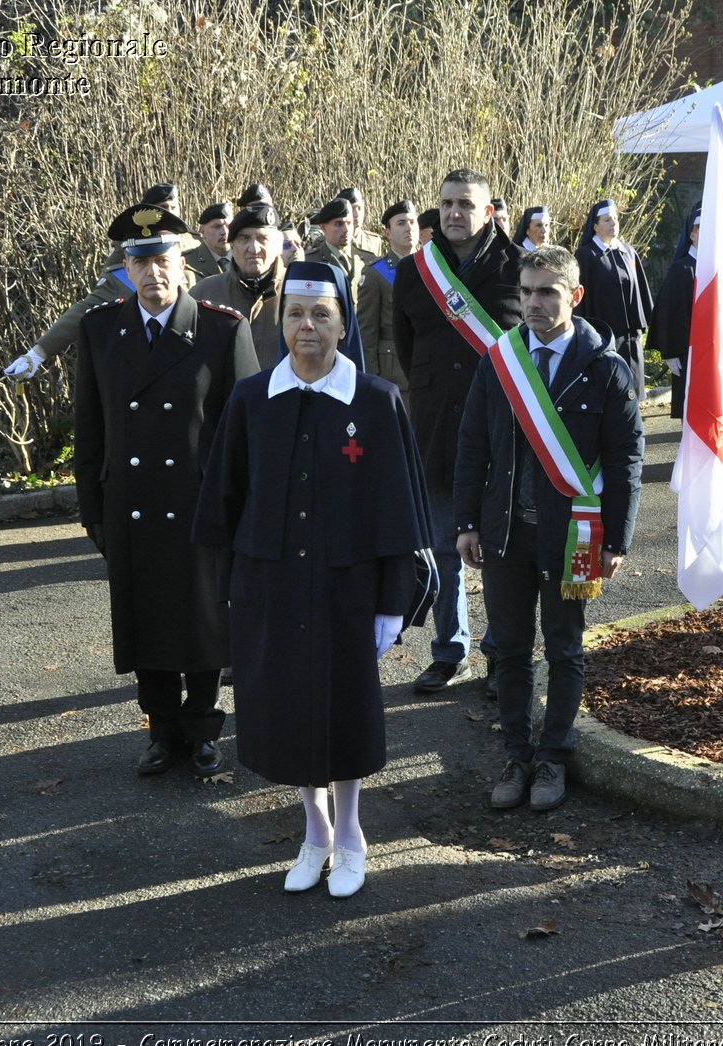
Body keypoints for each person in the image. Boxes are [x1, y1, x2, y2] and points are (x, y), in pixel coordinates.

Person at [192, 259, 430, 899]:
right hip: (272, 586)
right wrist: (227, 596)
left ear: (342, 323)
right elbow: (224, 505)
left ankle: (352, 835)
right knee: (289, 711)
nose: (307, 328)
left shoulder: (375, 402)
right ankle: (314, 831)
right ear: (282, 322)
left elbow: (397, 510)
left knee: (344, 710)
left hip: (347, 590)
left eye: (321, 315)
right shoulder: (251, 399)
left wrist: (391, 604)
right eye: (296, 314)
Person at [73, 203, 260, 777]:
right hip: (129, 499)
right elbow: (91, 426)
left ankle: (203, 728)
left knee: (202, 618)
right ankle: (161, 730)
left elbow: (246, 431)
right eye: (140, 261)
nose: (153, 273)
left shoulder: (223, 329)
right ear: (125, 268)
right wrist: (91, 507)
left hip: (200, 502)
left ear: (183, 263)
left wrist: (244, 509)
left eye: (163, 260)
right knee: (143, 615)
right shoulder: (101, 330)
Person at [455, 244, 643, 812]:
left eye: (547, 293)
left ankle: (554, 759)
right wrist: (466, 522)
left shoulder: (605, 367)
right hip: (507, 533)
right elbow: (472, 445)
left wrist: (617, 538)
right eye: (527, 291)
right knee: (509, 650)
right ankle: (517, 754)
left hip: (574, 537)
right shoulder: (500, 360)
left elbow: (626, 459)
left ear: (575, 297)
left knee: (563, 650)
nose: (533, 303)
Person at [392, 168, 523, 694]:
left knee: (500, 551)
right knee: (445, 549)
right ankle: (451, 651)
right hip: (437, 431)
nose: (453, 213)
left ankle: (501, 655)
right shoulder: (414, 271)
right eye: (446, 203)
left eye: (466, 204)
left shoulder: (516, 268)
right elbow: (407, 349)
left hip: (502, 431)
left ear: (488, 211)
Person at [3, 181, 196, 381]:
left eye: (174, 208)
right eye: (164, 209)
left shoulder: (200, 251)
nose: (171, 213)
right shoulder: (122, 271)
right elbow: (82, 311)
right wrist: (38, 353)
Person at [190, 201, 288, 370]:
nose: (254, 248)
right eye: (244, 238)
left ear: (278, 245)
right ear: (232, 246)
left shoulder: (297, 289)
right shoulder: (204, 294)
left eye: (263, 238)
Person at [575, 199, 654, 391]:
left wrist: (645, 324)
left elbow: (641, 290)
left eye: (616, 219)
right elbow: (580, 299)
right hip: (605, 337)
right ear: (595, 226)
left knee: (633, 392)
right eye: (607, 220)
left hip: (631, 337)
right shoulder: (586, 255)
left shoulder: (628, 251)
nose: (614, 223)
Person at [358, 199, 418, 404]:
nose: (409, 228)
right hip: (392, 374)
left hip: (425, 369)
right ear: (388, 233)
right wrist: (371, 378)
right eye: (401, 223)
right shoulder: (376, 273)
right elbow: (367, 332)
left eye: (412, 221)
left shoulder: (430, 267)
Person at [648, 205, 699, 421]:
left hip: (713, 345)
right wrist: (669, 353)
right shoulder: (682, 268)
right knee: (689, 395)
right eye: (701, 229)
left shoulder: (717, 266)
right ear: (692, 234)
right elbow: (670, 313)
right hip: (688, 348)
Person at [306, 197, 365, 330]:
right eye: (338, 224)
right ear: (323, 228)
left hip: (363, 337)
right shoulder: (310, 262)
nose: (346, 229)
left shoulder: (367, 259)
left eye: (349, 223)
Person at [186, 201, 232, 279]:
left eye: (229, 226)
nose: (224, 232)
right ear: (203, 232)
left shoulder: (245, 256)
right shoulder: (189, 262)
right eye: (217, 227)